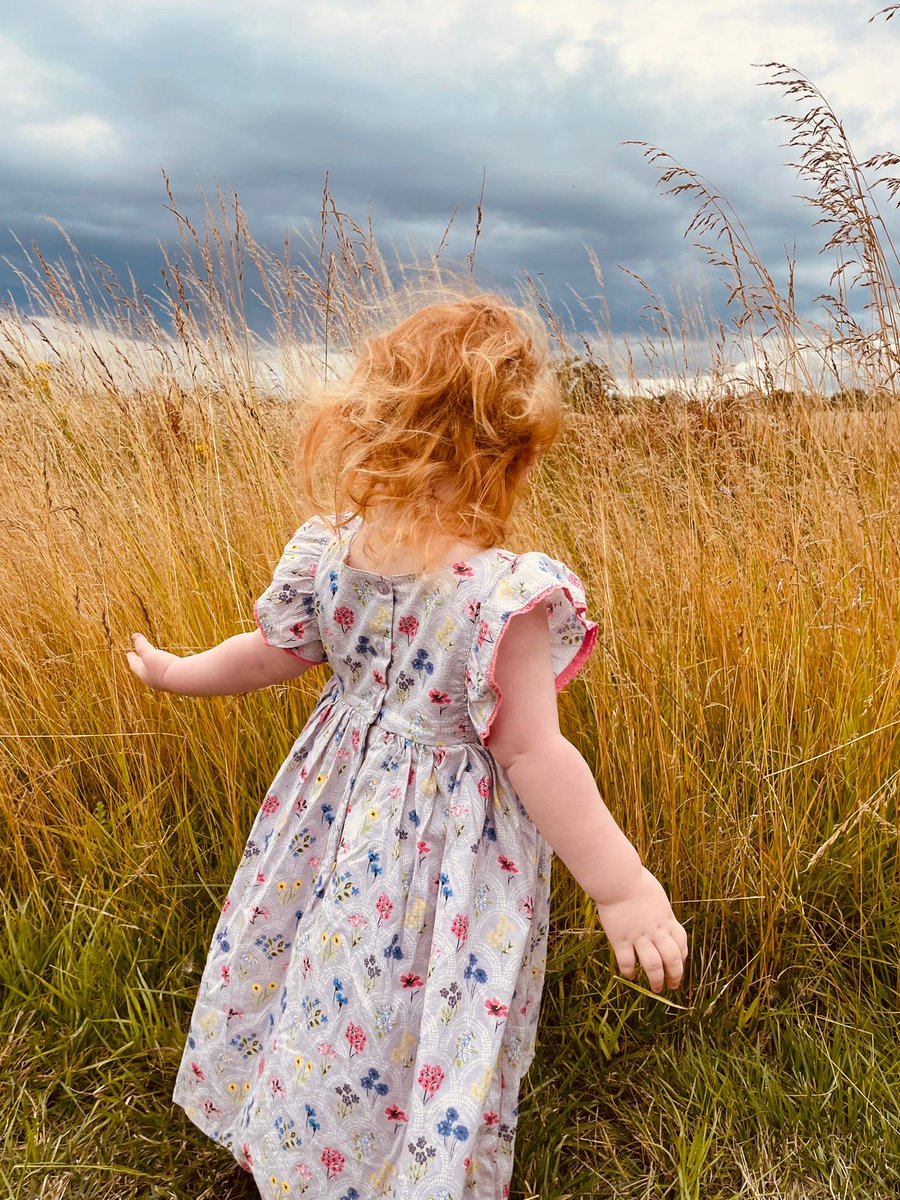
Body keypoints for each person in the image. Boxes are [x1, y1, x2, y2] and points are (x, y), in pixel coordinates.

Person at [127, 291, 687, 1199]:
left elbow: (266, 655)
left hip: (329, 820)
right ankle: (414, 1168)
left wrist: (175, 672)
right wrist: (623, 887)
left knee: (322, 985)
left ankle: (296, 1146)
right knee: (433, 1006)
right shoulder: (503, 596)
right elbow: (532, 754)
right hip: (443, 857)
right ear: (512, 454)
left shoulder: (335, 550)